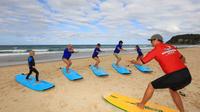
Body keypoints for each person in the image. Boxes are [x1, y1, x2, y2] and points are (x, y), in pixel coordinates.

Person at [130, 34, 192, 112]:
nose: (151, 43)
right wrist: (177, 67)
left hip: (175, 76)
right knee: (173, 90)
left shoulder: (155, 50)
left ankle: (141, 105)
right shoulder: (171, 47)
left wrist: (134, 62)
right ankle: (182, 111)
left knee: (151, 85)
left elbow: (141, 62)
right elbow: (183, 59)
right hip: (187, 74)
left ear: (156, 40)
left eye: (151, 41)